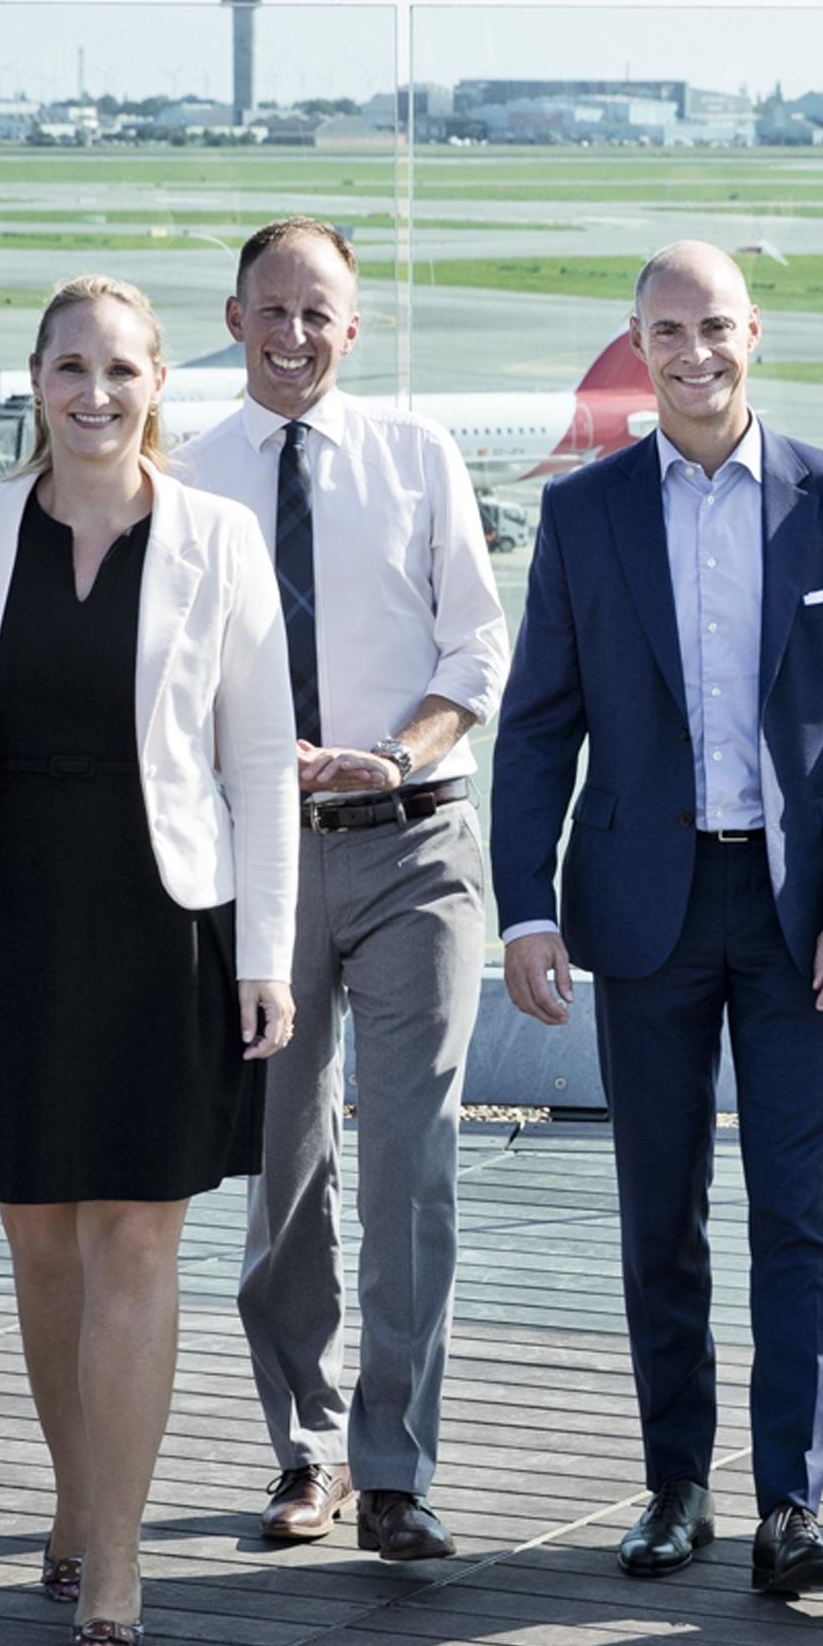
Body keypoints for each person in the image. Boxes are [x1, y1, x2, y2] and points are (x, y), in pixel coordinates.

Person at [0, 276, 299, 1646]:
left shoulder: (219, 536)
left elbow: (257, 761)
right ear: (36, 378)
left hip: (163, 914)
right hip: (0, 909)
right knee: (40, 1242)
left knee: (136, 1237)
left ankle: (115, 1552)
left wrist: (266, 952)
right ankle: (73, 1495)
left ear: (159, 380)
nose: (94, 393)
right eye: (70, 367)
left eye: (120, 368)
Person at [493, 240, 823, 1597]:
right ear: (638, 343)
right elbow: (536, 727)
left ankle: (791, 1502)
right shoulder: (585, 513)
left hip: (801, 917)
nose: (693, 353)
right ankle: (675, 1481)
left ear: (755, 332)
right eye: (667, 331)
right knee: (658, 1210)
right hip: (646, 910)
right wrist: (524, 906)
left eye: (715, 326)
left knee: (797, 1211)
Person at [175, 220, 511, 1561]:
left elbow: (475, 646)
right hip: (258, 854)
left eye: (320, 313)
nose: (295, 334)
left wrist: (398, 750)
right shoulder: (183, 473)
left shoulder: (418, 456)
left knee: (410, 1163)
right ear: (233, 316)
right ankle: (304, 1446)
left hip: (416, 840)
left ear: (352, 329)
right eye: (272, 309)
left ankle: (396, 1467)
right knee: (285, 1161)